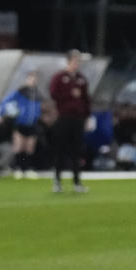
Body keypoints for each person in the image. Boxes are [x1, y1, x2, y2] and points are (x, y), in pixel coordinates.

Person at [49, 49, 91, 193]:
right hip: (64, 117)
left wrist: (87, 117)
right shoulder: (59, 77)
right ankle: (57, 181)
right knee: (60, 149)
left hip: (78, 119)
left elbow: (86, 99)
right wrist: (69, 94)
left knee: (77, 151)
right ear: (69, 61)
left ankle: (77, 182)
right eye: (75, 61)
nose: (77, 64)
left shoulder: (81, 79)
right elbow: (53, 94)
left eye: (78, 61)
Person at [0, 71, 43, 179]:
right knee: (19, 147)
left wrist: (38, 115)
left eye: (35, 78)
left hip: (32, 124)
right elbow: (6, 101)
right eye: (31, 78)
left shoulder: (37, 93)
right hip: (20, 123)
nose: (33, 80)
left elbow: (38, 107)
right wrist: (3, 112)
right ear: (27, 79)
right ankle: (18, 169)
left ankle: (27, 169)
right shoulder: (20, 91)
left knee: (30, 147)